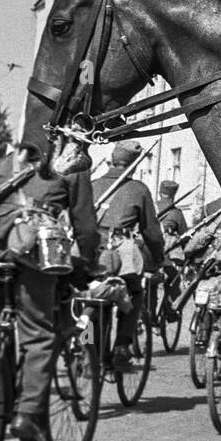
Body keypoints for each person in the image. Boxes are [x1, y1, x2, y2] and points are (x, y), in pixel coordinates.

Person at [0, 145, 99, 441]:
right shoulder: (71, 159)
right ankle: (27, 415)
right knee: (39, 335)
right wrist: (91, 263)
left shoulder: (9, 157)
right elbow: (85, 225)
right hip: (30, 247)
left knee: (0, 312)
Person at [92, 141, 165, 367]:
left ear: (111, 161)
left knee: (91, 297)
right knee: (134, 291)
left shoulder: (92, 185)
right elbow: (151, 232)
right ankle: (122, 345)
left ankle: (88, 346)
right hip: (117, 253)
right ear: (133, 166)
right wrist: (158, 258)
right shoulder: (138, 189)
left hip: (89, 250)